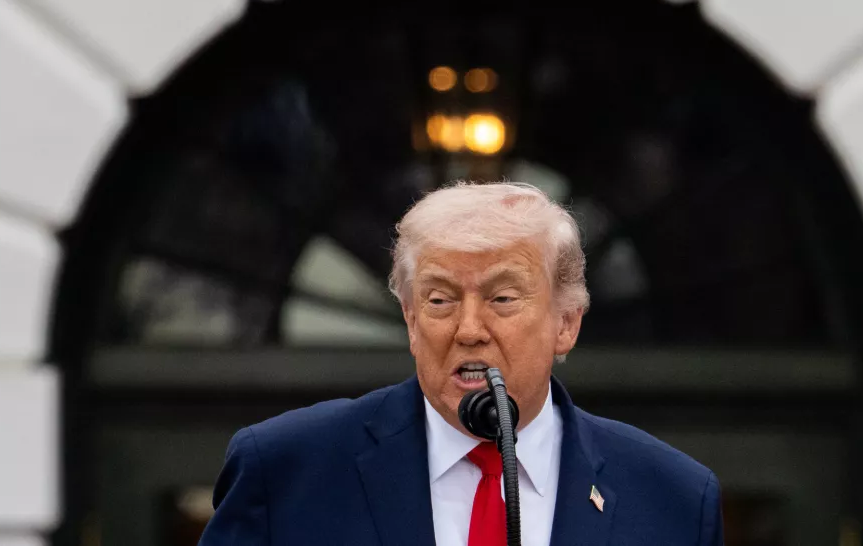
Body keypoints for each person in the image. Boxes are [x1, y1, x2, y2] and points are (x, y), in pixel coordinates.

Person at [198, 182, 724, 546]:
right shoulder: (287, 472)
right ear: (409, 320)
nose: (469, 329)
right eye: (440, 300)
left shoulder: (670, 497)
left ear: (567, 322)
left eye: (502, 299)